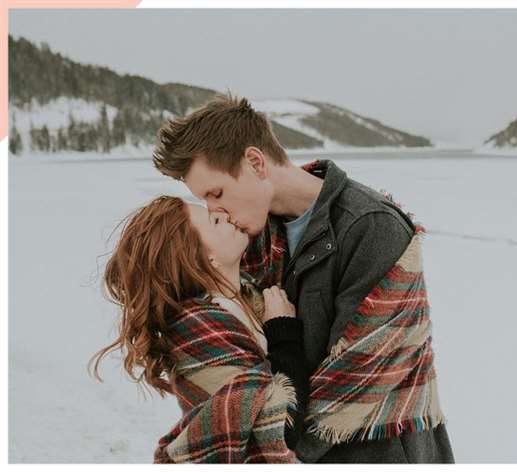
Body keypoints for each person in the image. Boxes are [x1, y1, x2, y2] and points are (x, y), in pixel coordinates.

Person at [151, 95, 455, 463]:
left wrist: (275, 449)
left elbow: (358, 377)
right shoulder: (250, 238)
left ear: (255, 162)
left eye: (216, 193)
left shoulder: (372, 227)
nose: (214, 210)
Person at [89, 195, 310, 463]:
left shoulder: (249, 296)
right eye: (214, 221)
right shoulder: (197, 328)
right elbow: (275, 427)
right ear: (206, 259)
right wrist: (283, 335)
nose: (226, 216)